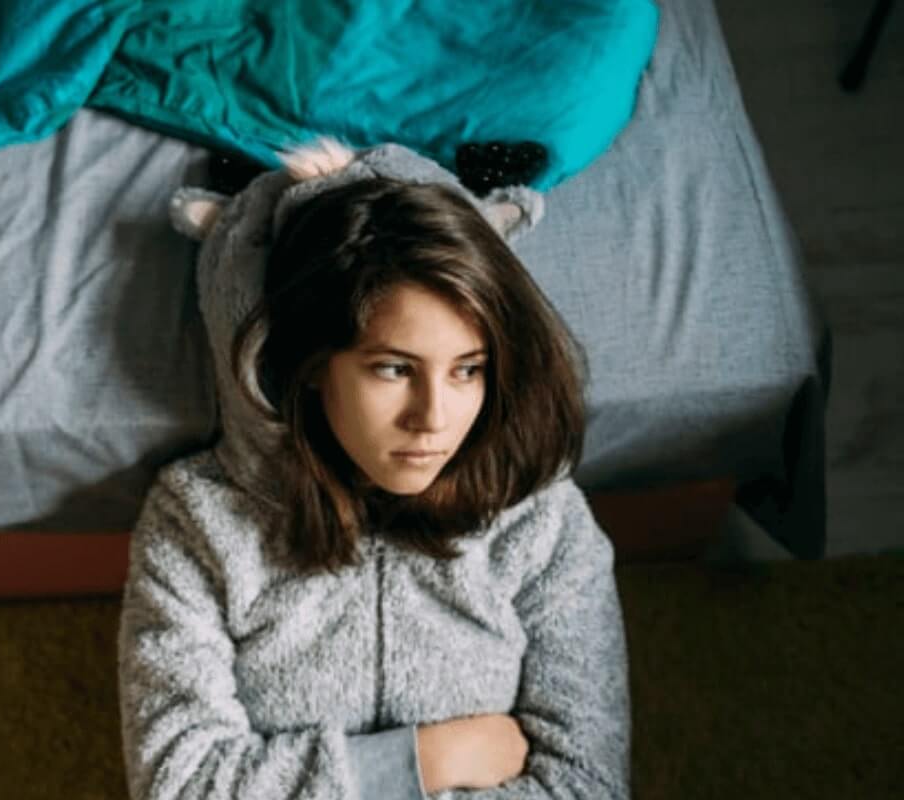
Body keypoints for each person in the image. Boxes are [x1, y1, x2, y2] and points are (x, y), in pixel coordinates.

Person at [117, 142, 629, 799]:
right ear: (309, 366)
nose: (434, 418)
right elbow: (180, 788)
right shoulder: (196, 520)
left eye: (467, 369)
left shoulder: (543, 520)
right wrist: (425, 760)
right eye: (394, 368)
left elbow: (588, 786)